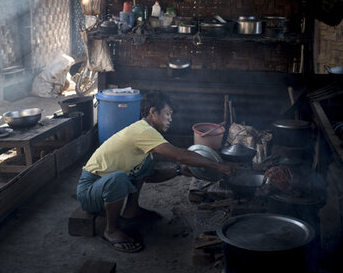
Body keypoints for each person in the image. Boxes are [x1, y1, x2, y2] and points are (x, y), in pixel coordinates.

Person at [76, 90, 234, 253]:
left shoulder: (145, 132)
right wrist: (217, 165)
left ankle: (131, 211)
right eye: (168, 114)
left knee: (144, 166)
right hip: (89, 191)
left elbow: (149, 176)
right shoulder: (143, 131)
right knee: (119, 178)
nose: (170, 119)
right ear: (153, 112)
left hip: (102, 186)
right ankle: (111, 230)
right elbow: (180, 155)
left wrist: (179, 170)